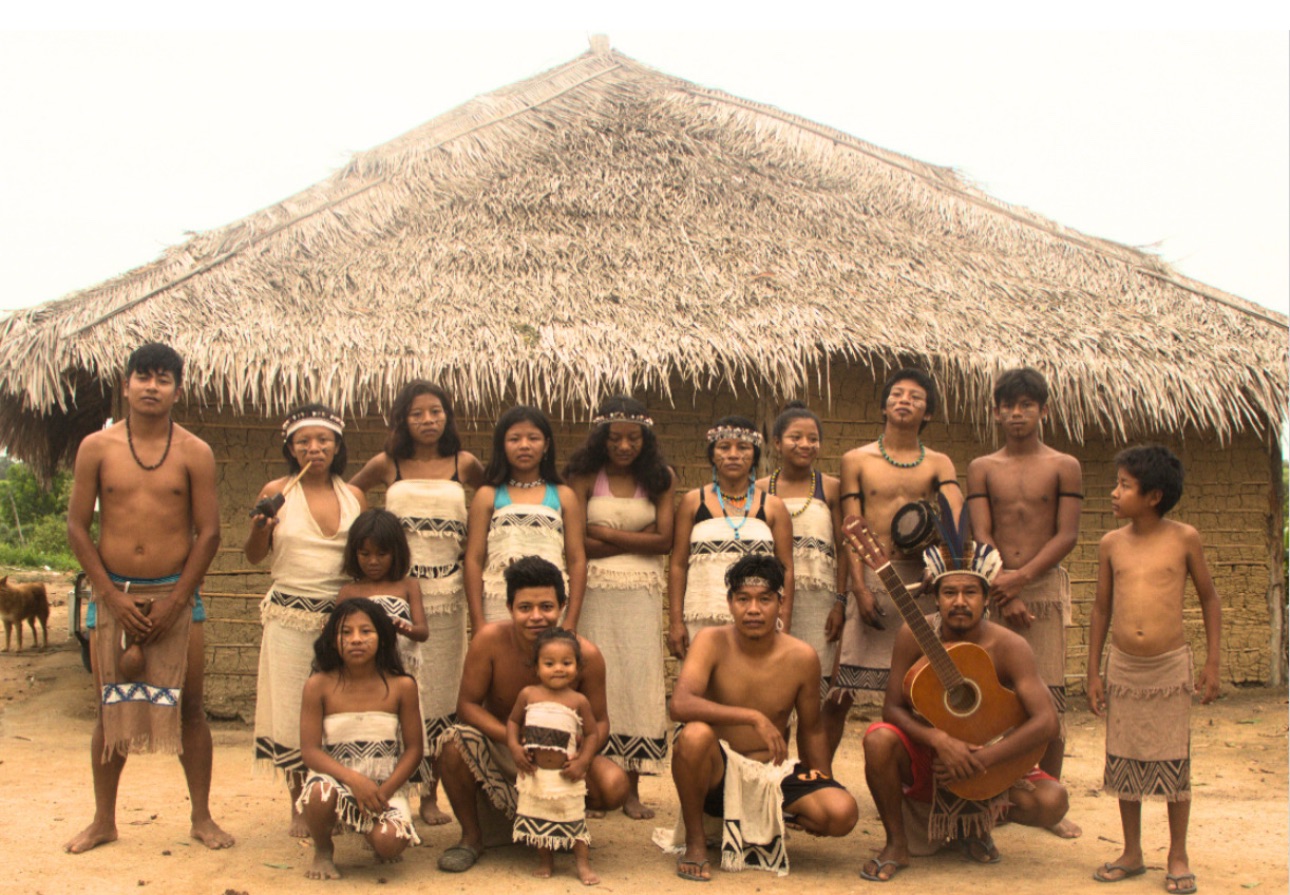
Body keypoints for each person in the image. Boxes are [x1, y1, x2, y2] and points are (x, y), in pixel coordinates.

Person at [64, 342, 234, 853]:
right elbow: (76, 527)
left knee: (193, 709)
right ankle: (103, 820)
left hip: (178, 596)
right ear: (126, 383)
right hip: (114, 592)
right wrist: (110, 597)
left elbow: (208, 533)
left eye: (163, 379)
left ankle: (201, 817)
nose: (152, 386)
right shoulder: (97, 447)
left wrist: (178, 601)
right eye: (144, 376)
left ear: (177, 390)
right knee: (108, 710)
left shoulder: (194, 452)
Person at [854, 518, 1067, 882]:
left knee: (1052, 801)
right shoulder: (912, 635)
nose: (959, 602)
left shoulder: (1009, 646)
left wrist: (983, 758)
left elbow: (1046, 721)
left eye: (970, 592)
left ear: (986, 598)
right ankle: (896, 845)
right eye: (949, 592)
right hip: (930, 758)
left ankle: (980, 823)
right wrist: (940, 740)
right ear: (935, 597)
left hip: (990, 754)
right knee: (878, 739)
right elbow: (891, 708)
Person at [656, 554, 857, 881]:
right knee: (693, 736)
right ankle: (696, 842)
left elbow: (812, 730)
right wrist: (752, 717)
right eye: (743, 599)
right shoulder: (711, 640)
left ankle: (767, 821)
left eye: (765, 599)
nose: (753, 609)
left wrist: (821, 780)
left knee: (841, 813)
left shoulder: (801, 656)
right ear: (730, 603)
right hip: (718, 775)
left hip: (770, 775)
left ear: (781, 602)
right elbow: (680, 704)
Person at [434, 556, 628, 873]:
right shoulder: (489, 642)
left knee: (614, 784)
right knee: (452, 746)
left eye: (546, 607)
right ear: (510, 607)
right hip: (506, 751)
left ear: (562, 605)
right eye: (525, 608)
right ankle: (471, 838)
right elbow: (466, 706)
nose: (536, 617)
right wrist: (513, 742)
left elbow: (601, 721)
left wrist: (582, 756)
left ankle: (559, 826)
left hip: (561, 759)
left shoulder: (586, 655)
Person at [1086, 445, 1220, 894]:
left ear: (1154, 496)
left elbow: (1209, 599)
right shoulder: (1111, 544)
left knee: (1172, 762)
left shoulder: (1184, 538)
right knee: (1124, 759)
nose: (1114, 492)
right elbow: (1101, 609)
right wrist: (1092, 672)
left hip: (1168, 669)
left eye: (1125, 485)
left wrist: (1213, 662)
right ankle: (1132, 850)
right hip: (1123, 666)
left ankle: (1177, 853)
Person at [350, 381, 483, 825]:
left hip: (446, 599)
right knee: (399, 692)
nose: (428, 421)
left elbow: (489, 510)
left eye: (436, 411)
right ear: (402, 420)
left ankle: (431, 796)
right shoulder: (388, 464)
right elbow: (349, 495)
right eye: (417, 414)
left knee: (441, 695)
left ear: (448, 415)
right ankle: (396, 788)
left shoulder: (465, 464)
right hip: (395, 598)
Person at [967, 367, 1083, 837]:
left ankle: (1047, 797)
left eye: (1026, 406)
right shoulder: (982, 467)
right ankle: (991, 789)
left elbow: (1067, 534)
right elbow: (981, 531)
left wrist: (1023, 580)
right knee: (992, 695)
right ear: (996, 412)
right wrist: (1000, 583)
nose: (1016, 415)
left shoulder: (1063, 465)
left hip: (1042, 588)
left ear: (1043, 410)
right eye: (1008, 406)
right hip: (991, 584)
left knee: (1047, 695)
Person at [245, 403, 367, 835]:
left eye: (323, 440)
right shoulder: (277, 491)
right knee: (293, 708)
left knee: (338, 706)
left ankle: (335, 799)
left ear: (337, 447)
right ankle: (300, 802)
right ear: (291, 449)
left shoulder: (353, 497)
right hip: (289, 617)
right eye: (303, 442)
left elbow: (360, 561)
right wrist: (262, 525)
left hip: (338, 620)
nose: (314, 448)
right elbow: (256, 555)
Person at [565, 396, 675, 819]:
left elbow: (665, 542)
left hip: (642, 597)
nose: (624, 446)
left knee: (636, 681)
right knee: (595, 684)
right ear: (600, 438)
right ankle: (592, 786)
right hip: (592, 593)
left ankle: (631, 790)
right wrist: (637, 536)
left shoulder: (660, 477)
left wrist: (602, 533)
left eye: (633, 438)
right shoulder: (583, 476)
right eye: (615, 438)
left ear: (646, 439)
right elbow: (574, 545)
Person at [831, 369, 961, 707]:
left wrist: (944, 566)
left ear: (928, 412)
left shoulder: (939, 463)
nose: (905, 401)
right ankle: (824, 764)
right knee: (843, 690)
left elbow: (956, 521)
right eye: (897, 395)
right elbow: (851, 526)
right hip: (872, 577)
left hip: (922, 582)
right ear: (884, 407)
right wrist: (858, 589)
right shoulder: (856, 459)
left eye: (915, 397)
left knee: (923, 690)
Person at [297, 599, 424, 880]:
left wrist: (384, 792)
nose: (356, 640)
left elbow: (414, 749)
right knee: (320, 793)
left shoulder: (402, 686)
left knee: (390, 845)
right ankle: (323, 849)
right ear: (332, 640)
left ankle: (370, 830)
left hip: (384, 787)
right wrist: (354, 781)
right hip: (337, 783)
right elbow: (310, 752)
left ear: (383, 637)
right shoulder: (318, 685)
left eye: (366, 631)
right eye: (346, 632)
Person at [756, 401, 849, 753]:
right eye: (796, 437)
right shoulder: (762, 487)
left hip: (820, 603)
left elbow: (843, 550)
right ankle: (773, 772)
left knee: (819, 692)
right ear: (777, 443)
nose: (805, 445)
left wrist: (840, 603)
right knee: (773, 687)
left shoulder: (832, 487)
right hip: (772, 600)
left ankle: (814, 773)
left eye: (813, 438)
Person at [668, 415, 794, 659]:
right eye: (724, 447)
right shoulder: (693, 502)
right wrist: (676, 622)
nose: (733, 454)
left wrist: (784, 620)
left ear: (755, 455)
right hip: (703, 618)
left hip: (758, 619)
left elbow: (786, 568)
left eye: (743, 447)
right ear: (713, 454)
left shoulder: (773, 507)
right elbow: (677, 565)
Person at [463, 406, 587, 629]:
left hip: (550, 605)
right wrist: (478, 621)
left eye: (533, 438)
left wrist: (570, 620)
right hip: (498, 602)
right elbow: (473, 559)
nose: (524, 446)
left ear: (546, 444)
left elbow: (577, 560)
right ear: (502, 444)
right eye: (514, 439)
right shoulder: (487, 495)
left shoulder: (564, 496)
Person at [506, 628, 600, 885]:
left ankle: (582, 864)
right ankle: (546, 861)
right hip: (535, 776)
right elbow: (513, 722)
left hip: (566, 777)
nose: (558, 668)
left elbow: (592, 734)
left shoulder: (578, 700)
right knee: (538, 820)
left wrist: (582, 761)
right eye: (549, 663)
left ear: (578, 667)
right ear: (536, 667)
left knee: (574, 821)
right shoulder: (528, 694)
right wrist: (515, 748)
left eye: (566, 663)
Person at [337, 509, 429, 675]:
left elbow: (422, 632)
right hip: (361, 674)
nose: (373, 561)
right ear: (354, 553)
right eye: (365, 554)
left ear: (396, 553)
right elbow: (336, 635)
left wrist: (404, 628)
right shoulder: (348, 592)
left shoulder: (408, 586)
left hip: (401, 670)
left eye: (382, 554)